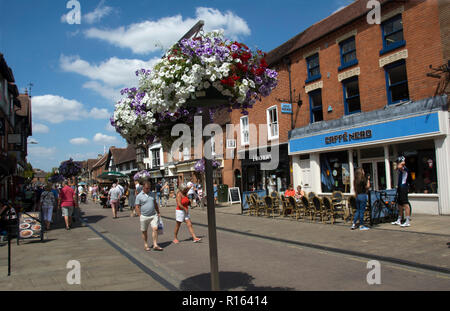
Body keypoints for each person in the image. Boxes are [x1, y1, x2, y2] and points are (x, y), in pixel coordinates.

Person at [135, 181, 163, 251]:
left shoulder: (152, 194)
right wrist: (140, 215)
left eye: (149, 188)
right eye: (147, 188)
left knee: (155, 228)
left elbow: (155, 203)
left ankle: (155, 244)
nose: (148, 189)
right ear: (143, 187)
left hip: (153, 215)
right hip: (144, 216)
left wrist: (158, 212)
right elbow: (137, 206)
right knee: (144, 231)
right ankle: (146, 244)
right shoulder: (139, 196)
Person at [392, 156, 412, 227]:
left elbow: (401, 165)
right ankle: (399, 219)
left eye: (398, 162)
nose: (397, 163)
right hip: (400, 187)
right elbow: (395, 167)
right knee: (399, 204)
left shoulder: (404, 168)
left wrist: (400, 161)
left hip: (404, 187)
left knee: (405, 204)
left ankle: (407, 221)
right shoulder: (400, 169)